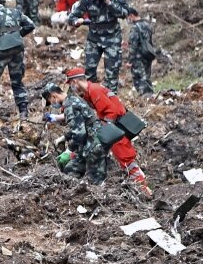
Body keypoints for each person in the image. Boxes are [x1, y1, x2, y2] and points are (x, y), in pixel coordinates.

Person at [61, 68, 151, 196]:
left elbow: (111, 112)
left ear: (75, 82)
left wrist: (105, 128)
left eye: (71, 84)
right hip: (114, 127)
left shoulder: (94, 91)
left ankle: (144, 188)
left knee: (126, 159)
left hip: (116, 128)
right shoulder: (89, 92)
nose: (71, 87)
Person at [68, 0, 131, 92]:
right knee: (89, 72)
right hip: (94, 39)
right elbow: (71, 17)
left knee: (112, 73)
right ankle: (93, 99)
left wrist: (110, 3)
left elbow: (125, 13)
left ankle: (111, 102)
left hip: (112, 38)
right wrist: (77, 21)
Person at [126, 9, 158, 96]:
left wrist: (130, 61)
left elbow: (133, 46)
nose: (128, 19)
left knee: (139, 79)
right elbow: (150, 40)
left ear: (131, 15)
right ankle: (150, 96)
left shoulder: (135, 28)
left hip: (138, 58)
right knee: (147, 77)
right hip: (147, 55)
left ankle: (146, 98)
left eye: (128, 17)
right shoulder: (148, 25)